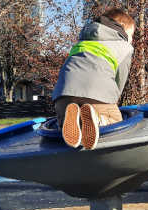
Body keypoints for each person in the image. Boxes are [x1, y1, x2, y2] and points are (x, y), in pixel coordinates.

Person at [52, 8, 135, 150]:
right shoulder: (124, 46)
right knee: (116, 120)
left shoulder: (81, 42)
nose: (132, 39)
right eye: (132, 35)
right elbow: (120, 80)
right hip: (97, 94)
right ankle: (98, 120)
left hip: (62, 94)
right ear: (124, 29)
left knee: (63, 124)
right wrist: (113, 100)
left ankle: (68, 118)